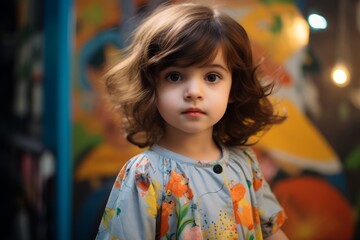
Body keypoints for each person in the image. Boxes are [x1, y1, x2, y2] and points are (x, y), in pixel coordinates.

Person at [96, 2, 288, 239]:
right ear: (151, 87)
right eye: (175, 76)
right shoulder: (144, 175)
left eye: (211, 76)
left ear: (234, 88)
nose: (194, 92)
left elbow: (272, 233)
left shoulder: (246, 164)